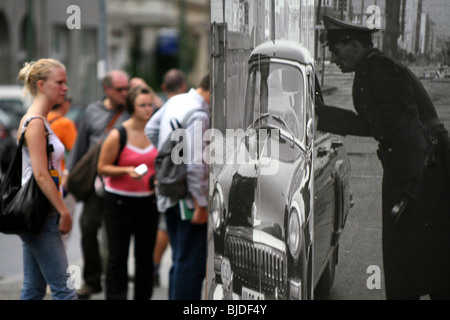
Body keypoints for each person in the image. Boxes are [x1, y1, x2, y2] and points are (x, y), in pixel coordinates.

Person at [317, 15, 450, 300]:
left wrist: (408, 190)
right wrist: (323, 115)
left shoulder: (379, 69)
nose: (333, 59)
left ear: (352, 45)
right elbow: (374, 125)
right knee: (416, 262)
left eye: (336, 51)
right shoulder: (368, 71)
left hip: (425, 172)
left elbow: (409, 129)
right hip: (414, 170)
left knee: (427, 261)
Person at [65, 70, 130, 299]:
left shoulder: (132, 109)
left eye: (127, 88)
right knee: (88, 227)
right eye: (120, 89)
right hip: (97, 182)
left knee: (116, 236)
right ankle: (92, 280)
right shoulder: (92, 111)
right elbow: (80, 145)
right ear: (107, 89)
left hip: (123, 181)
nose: (125, 93)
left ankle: (115, 283)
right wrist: (69, 174)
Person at [146, 73, 210, 300]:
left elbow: (151, 130)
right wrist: (202, 204)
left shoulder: (176, 100)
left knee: (179, 260)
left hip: (169, 190)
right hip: (189, 198)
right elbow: (196, 166)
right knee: (191, 265)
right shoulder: (199, 114)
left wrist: (172, 158)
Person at [16, 58, 76, 300]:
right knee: (65, 290)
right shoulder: (36, 123)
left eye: (65, 82)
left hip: (39, 211)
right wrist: (63, 211)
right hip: (43, 212)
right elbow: (40, 174)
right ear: (41, 85)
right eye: (59, 82)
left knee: (34, 288)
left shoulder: (38, 120)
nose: (65, 88)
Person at [97, 86, 159, 300]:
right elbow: (102, 167)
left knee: (145, 258)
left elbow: (160, 162)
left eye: (150, 104)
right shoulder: (118, 134)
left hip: (149, 202)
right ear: (132, 107)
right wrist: (125, 170)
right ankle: (116, 296)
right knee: (117, 257)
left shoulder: (156, 132)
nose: (148, 109)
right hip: (119, 202)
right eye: (142, 105)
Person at [147, 68, 188, 286]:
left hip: (164, 177)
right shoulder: (189, 104)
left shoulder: (167, 107)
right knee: (180, 241)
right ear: (184, 85)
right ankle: (162, 266)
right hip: (183, 182)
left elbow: (150, 129)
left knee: (166, 222)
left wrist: (165, 154)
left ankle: (154, 267)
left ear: (164, 88)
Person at [48, 91, 78, 245]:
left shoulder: (41, 120)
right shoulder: (65, 123)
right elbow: (76, 151)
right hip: (61, 181)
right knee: (62, 233)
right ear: (64, 102)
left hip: (43, 183)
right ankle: (60, 267)